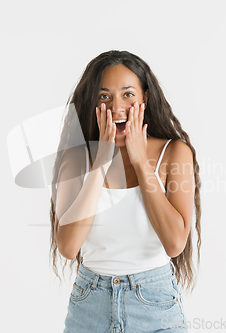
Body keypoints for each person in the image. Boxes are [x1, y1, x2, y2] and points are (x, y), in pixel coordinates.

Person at [49, 50, 202, 332]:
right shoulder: (75, 160)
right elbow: (69, 248)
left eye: (128, 94)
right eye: (104, 96)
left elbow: (174, 244)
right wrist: (101, 162)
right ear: (93, 102)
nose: (117, 107)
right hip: (89, 308)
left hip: (154, 307)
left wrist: (141, 162)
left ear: (145, 98)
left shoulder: (175, 154)